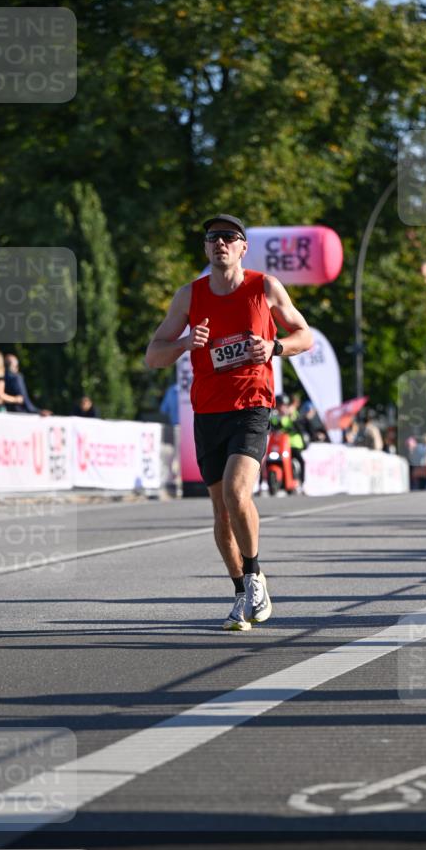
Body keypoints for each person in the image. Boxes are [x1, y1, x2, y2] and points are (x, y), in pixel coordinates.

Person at [145, 213, 313, 630]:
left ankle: (255, 575)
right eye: (212, 238)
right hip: (208, 413)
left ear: (242, 247)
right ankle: (241, 591)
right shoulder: (189, 296)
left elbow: (304, 335)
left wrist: (273, 347)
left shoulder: (265, 287)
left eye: (228, 237)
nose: (219, 243)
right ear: (205, 249)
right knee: (221, 514)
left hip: (252, 405)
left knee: (239, 493)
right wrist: (186, 343)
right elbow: (153, 355)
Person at [270, 393, 307, 487]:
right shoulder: (274, 416)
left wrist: (292, 418)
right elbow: (273, 427)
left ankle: (302, 483)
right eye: (280, 405)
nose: (282, 407)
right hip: (279, 445)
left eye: (284, 405)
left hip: (293, 444)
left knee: (301, 460)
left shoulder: (293, 414)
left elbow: (300, 427)